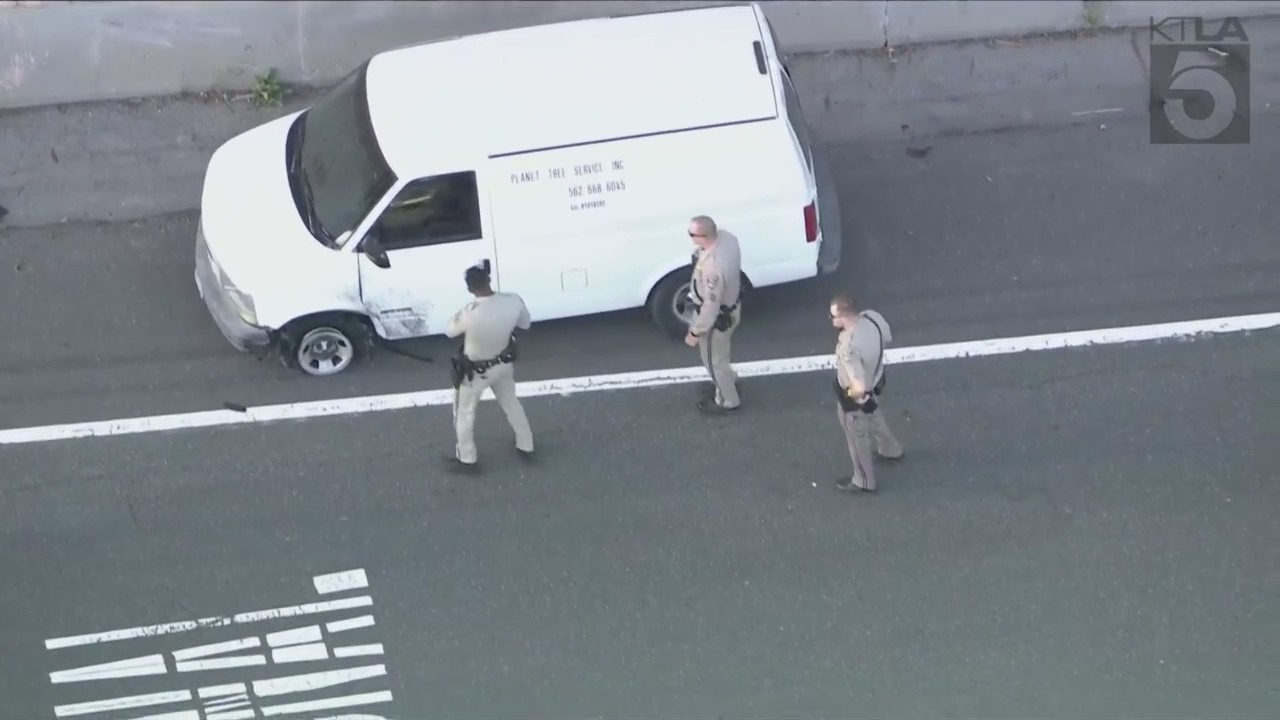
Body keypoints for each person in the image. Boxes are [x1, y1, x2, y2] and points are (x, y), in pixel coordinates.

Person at [443, 264, 535, 472]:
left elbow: (449, 330)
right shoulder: (513, 300)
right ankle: (526, 444)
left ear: (469, 288)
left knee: (465, 413)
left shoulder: (470, 313)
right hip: (503, 364)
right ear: (489, 280)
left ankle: (467, 458)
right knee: (511, 403)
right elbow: (525, 324)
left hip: (475, 372)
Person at [829, 293, 904, 492]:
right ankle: (890, 449)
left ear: (843, 317)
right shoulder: (873, 318)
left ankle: (863, 480)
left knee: (857, 436)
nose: (832, 320)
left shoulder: (849, 348)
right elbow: (887, 336)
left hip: (858, 398)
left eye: (833, 316)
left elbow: (859, 386)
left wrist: (851, 396)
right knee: (875, 417)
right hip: (877, 379)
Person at [684, 215, 742, 414]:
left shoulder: (713, 267)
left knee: (713, 360)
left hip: (717, 321)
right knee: (722, 356)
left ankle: (727, 399)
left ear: (704, 236)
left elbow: (711, 306)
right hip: (733, 306)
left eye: (692, 234)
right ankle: (728, 379)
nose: (691, 238)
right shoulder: (727, 238)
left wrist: (695, 332)